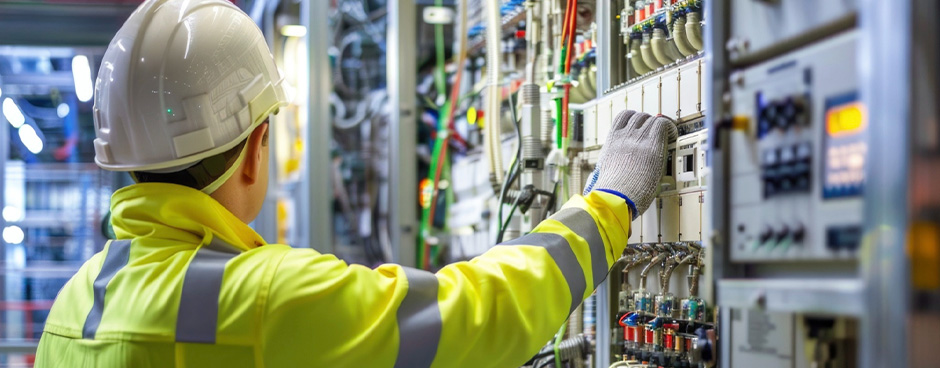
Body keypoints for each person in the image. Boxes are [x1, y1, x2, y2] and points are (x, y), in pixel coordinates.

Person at [34, 0, 677, 367]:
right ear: (257, 148)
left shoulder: (72, 301)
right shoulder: (261, 297)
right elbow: (476, 315)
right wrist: (608, 204)